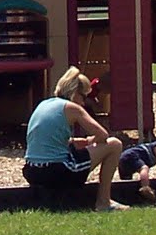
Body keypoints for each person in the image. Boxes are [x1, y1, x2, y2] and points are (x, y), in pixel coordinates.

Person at [22, 66, 126, 211]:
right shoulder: (71, 108)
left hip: (31, 171)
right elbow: (103, 135)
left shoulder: (43, 104)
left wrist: (73, 142)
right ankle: (104, 202)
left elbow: (46, 140)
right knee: (114, 144)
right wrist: (89, 141)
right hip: (57, 171)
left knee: (76, 152)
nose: (84, 103)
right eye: (84, 97)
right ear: (75, 93)